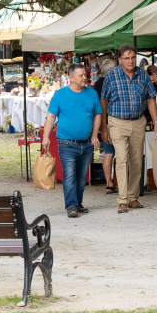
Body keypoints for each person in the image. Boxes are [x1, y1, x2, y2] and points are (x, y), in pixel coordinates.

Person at [100, 45, 157, 215]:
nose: (130, 61)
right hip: (117, 123)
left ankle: (133, 197)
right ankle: (122, 200)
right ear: (120, 60)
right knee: (120, 159)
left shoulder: (142, 74)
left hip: (138, 122)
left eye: (133, 57)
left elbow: (150, 98)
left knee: (136, 161)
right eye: (126, 58)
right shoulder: (111, 76)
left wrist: (156, 122)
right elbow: (103, 101)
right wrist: (104, 127)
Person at [42, 63, 102, 218]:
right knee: (69, 174)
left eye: (85, 75)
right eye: (81, 75)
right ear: (70, 77)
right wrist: (46, 137)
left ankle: (78, 202)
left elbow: (97, 115)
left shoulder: (92, 93)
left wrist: (95, 136)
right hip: (66, 143)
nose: (85, 78)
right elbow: (50, 117)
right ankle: (71, 206)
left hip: (86, 143)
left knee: (82, 176)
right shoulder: (60, 95)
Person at [93, 59, 118, 195]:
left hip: (104, 122)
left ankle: (109, 183)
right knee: (122, 154)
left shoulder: (98, 84)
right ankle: (122, 182)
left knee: (109, 153)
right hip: (114, 121)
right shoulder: (113, 81)